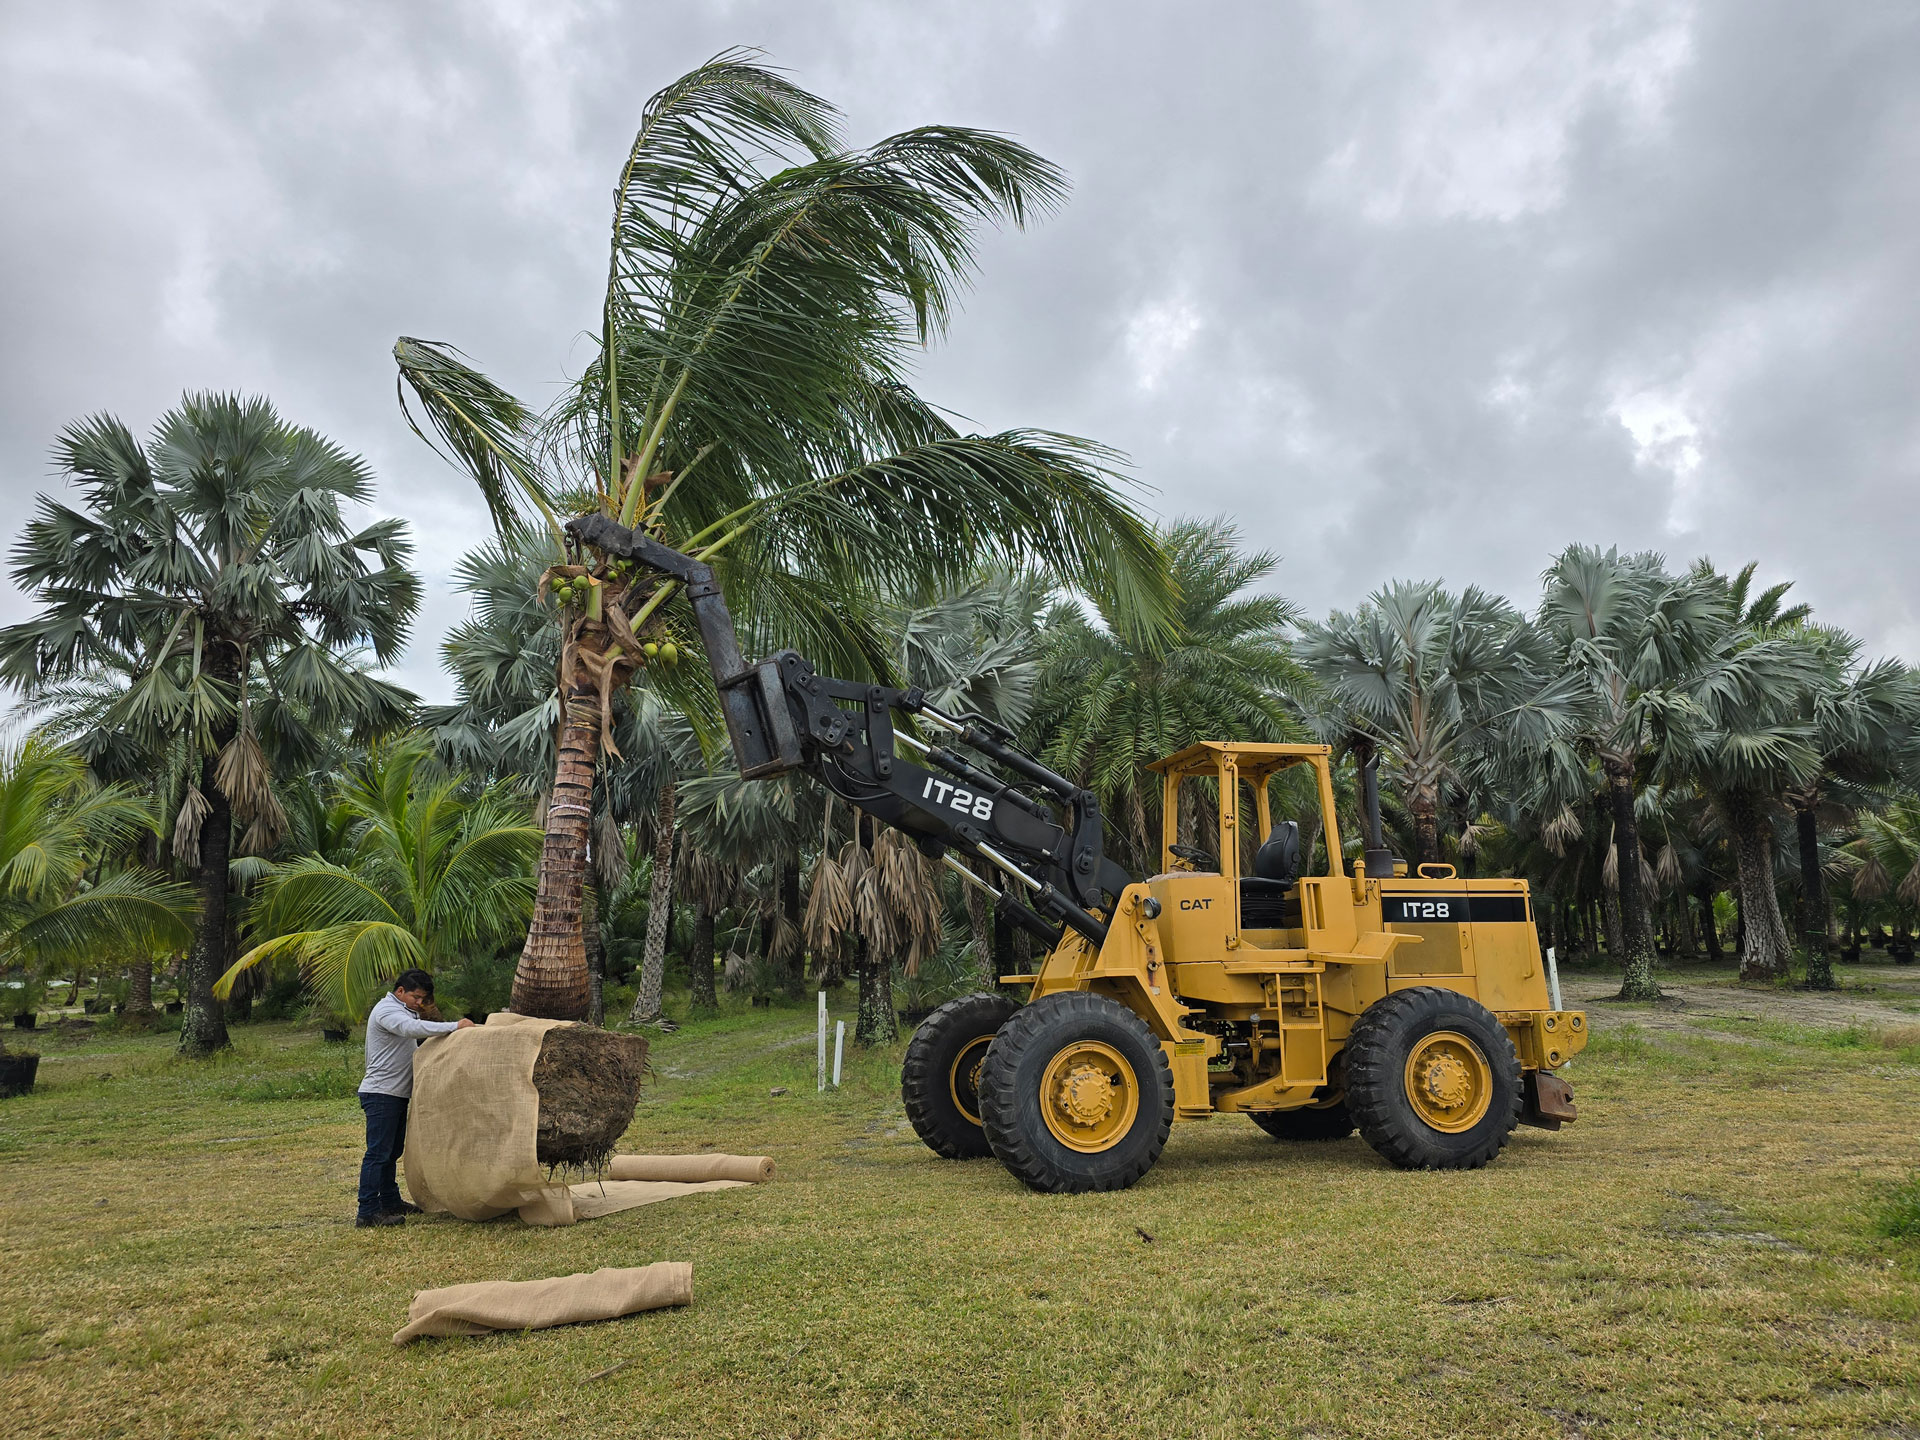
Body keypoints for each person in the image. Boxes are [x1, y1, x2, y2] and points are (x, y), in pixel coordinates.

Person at [356, 969, 474, 1228]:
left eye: (423, 998)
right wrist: (455, 1026)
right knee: (378, 1153)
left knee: (391, 1152)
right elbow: (411, 1029)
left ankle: (390, 1202)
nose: (419, 1003)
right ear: (400, 991)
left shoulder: (403, 1009)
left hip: (394, 1094)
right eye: (416, 997)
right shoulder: (388, 1011)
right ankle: (367, 1212)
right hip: (381, 1094)